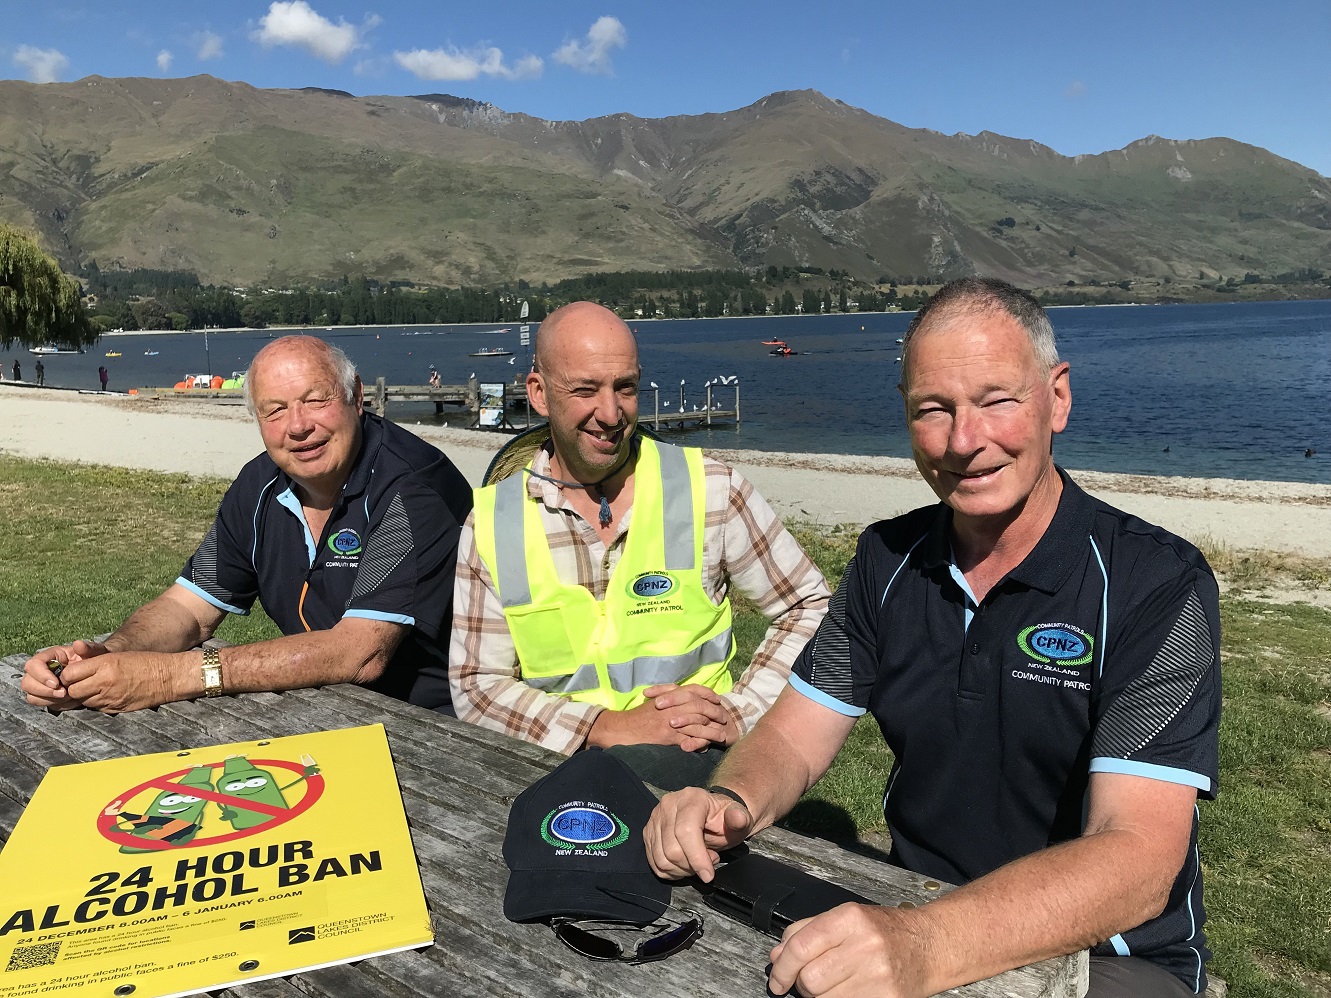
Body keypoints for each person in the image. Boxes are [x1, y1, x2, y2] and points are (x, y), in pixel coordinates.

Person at [644, 278, 1221, 998]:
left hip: (1110, 957)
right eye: (932, 410)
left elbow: (1135, 860)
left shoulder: (1153, 583)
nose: (963, 441)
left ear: (1057, 398)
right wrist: (727, 801)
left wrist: (928, 942)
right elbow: (793, 737)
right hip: (914, 902)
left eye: (995, 400)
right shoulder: (886, 560)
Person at [449, 302, 830, 790]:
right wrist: (604, 729)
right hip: (556, 775)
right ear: (539, 394)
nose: (610, 414)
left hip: (701, 771)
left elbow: (809, 605)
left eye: (625, 388)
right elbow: (475, 685)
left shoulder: (712, 489)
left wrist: (740, 711)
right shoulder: (491, 523)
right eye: (585, 389)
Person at [23, 335, 474, 715]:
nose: (297, 427)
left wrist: (167, 676)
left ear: (357, 396)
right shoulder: (260, 484)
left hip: (429, 722)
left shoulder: (411, 486)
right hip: (324, 708)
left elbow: (360, 653)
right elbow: (190, 610)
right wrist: (106, 655)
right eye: (274, 411)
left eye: (315, 400)